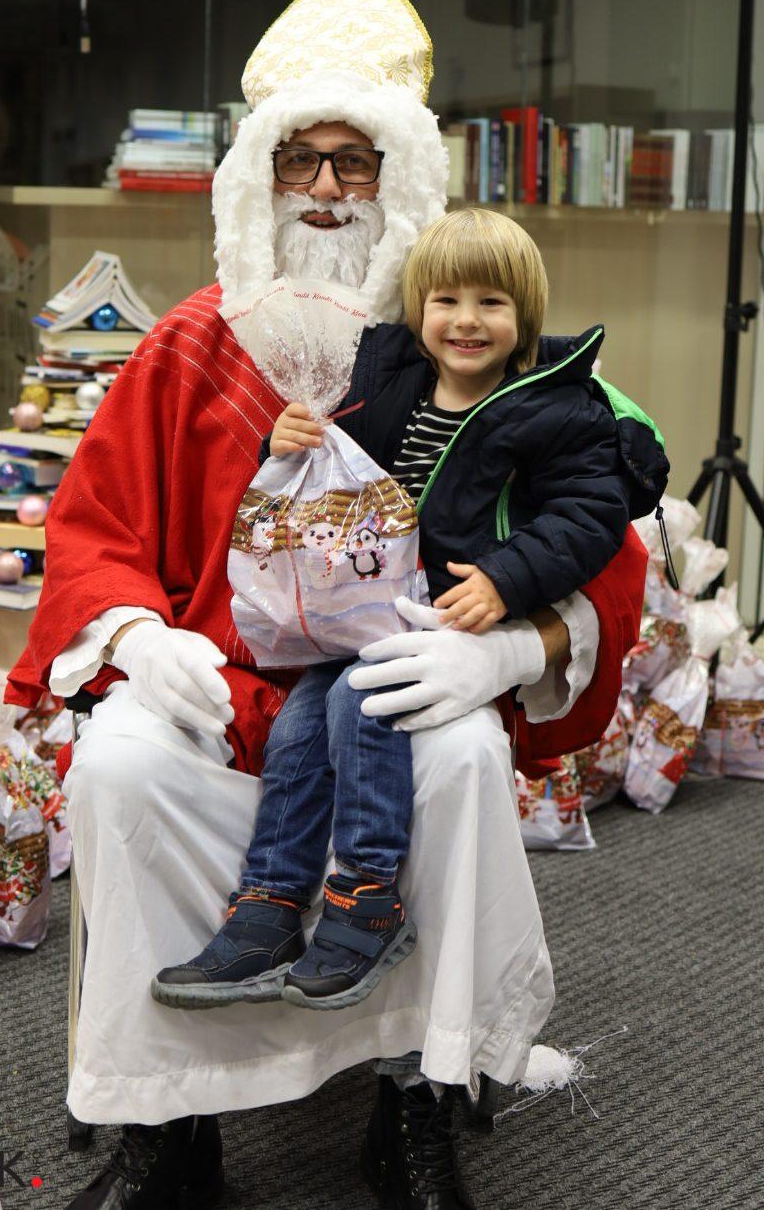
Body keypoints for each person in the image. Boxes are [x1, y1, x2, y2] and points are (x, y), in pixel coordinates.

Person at [7, 0, 649, 1210]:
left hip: (407, 661)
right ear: (257, 182)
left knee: (460, 759)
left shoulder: (464, 347)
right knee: (122, 765)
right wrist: (136, 640)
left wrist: (509, 653)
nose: (325, 190)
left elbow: (608, 519)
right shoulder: (193, 342)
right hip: (220, 668)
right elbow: (92, 522)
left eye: (355, 164)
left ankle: (416, 1094)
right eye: (299, 162)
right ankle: (166, 1125)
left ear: (398, 183)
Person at [155, 207, 665, 1016]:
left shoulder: (561, 409)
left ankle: (367, 895)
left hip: (447, 623)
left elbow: (587, 520)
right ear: (417, 307)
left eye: (492, 303)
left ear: (525, 316)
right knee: (295, 729)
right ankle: (271, 904)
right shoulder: (382, 374)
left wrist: (505, 579)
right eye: (447, 300)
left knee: (364, 704)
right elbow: (323, 468)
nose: (467, 321)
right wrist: (281, 444)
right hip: (361, 608)